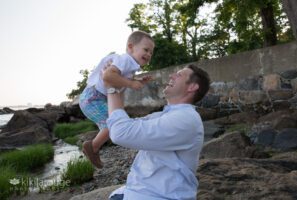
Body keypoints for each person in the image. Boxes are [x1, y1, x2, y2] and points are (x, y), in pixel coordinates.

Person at [103, 64, 210, 200]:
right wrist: (119, 84)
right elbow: (126, 124)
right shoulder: (166, 115)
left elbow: (120, 133)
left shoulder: (185, 119)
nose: (171, 76)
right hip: (138, 191)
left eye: (179, 75)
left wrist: (111, 88)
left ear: (192, 87)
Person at [79, 30, 155, 168]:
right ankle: (92, 147)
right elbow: (108, 76)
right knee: (113, 124)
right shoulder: (125, 59)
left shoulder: (130, 66)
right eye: (146, 50)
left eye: (151, 52)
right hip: (93, 97)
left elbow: (119, 80)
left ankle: (93, 148)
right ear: (131, 47)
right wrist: (132, 84)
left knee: (112, 124)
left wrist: (137, 80)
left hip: (97, 97)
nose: (148, 54)